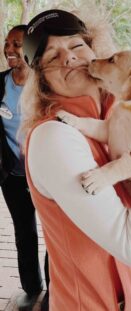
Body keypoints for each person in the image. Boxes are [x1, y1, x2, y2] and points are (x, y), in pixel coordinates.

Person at [19, 9, 131, 310]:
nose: (68, 58)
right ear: (43, 82)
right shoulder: (54, 138)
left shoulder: (116, 118)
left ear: (96, 51)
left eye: (76, 46)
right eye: (52, 57)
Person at [0, 24, 47, 310]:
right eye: (7, 43)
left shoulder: (46, 84)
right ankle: (32, 287)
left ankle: (56, 288)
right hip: (13, 174)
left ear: (31, 47)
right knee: (23, 231)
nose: (9, 50)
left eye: (16, 44)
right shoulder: (0, 82)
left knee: (56, 231)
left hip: (46, 175)